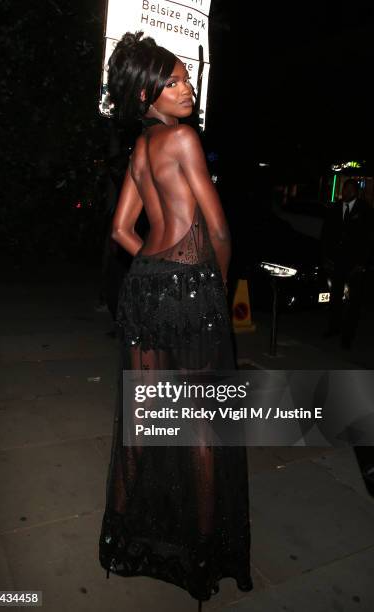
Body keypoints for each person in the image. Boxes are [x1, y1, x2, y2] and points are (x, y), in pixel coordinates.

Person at [98, 31, 252, 610]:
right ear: (146, 96)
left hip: (144, 291)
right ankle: (203, 553)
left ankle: (123, 540)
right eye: (173, 81)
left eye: (186, 77)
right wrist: (213, 286)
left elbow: (120, 231)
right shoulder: (183, 139)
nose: (186, 88)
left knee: (146, 419)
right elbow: (216, 230)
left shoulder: (139, 151)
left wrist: (155, 271)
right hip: (192, 293)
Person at [320, 178, 374, 350]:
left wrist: (362, 262)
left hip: (355, 265)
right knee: (335, 297)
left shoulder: (365, 211)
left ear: (356, 192)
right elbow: (326, 234)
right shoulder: (334, 209)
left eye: (350, 190)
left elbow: (369, 239)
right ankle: (334, 328)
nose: (346, 193)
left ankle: (347, 336)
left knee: (354, 302)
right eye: (345, 189)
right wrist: (326, 257)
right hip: (336, 262)